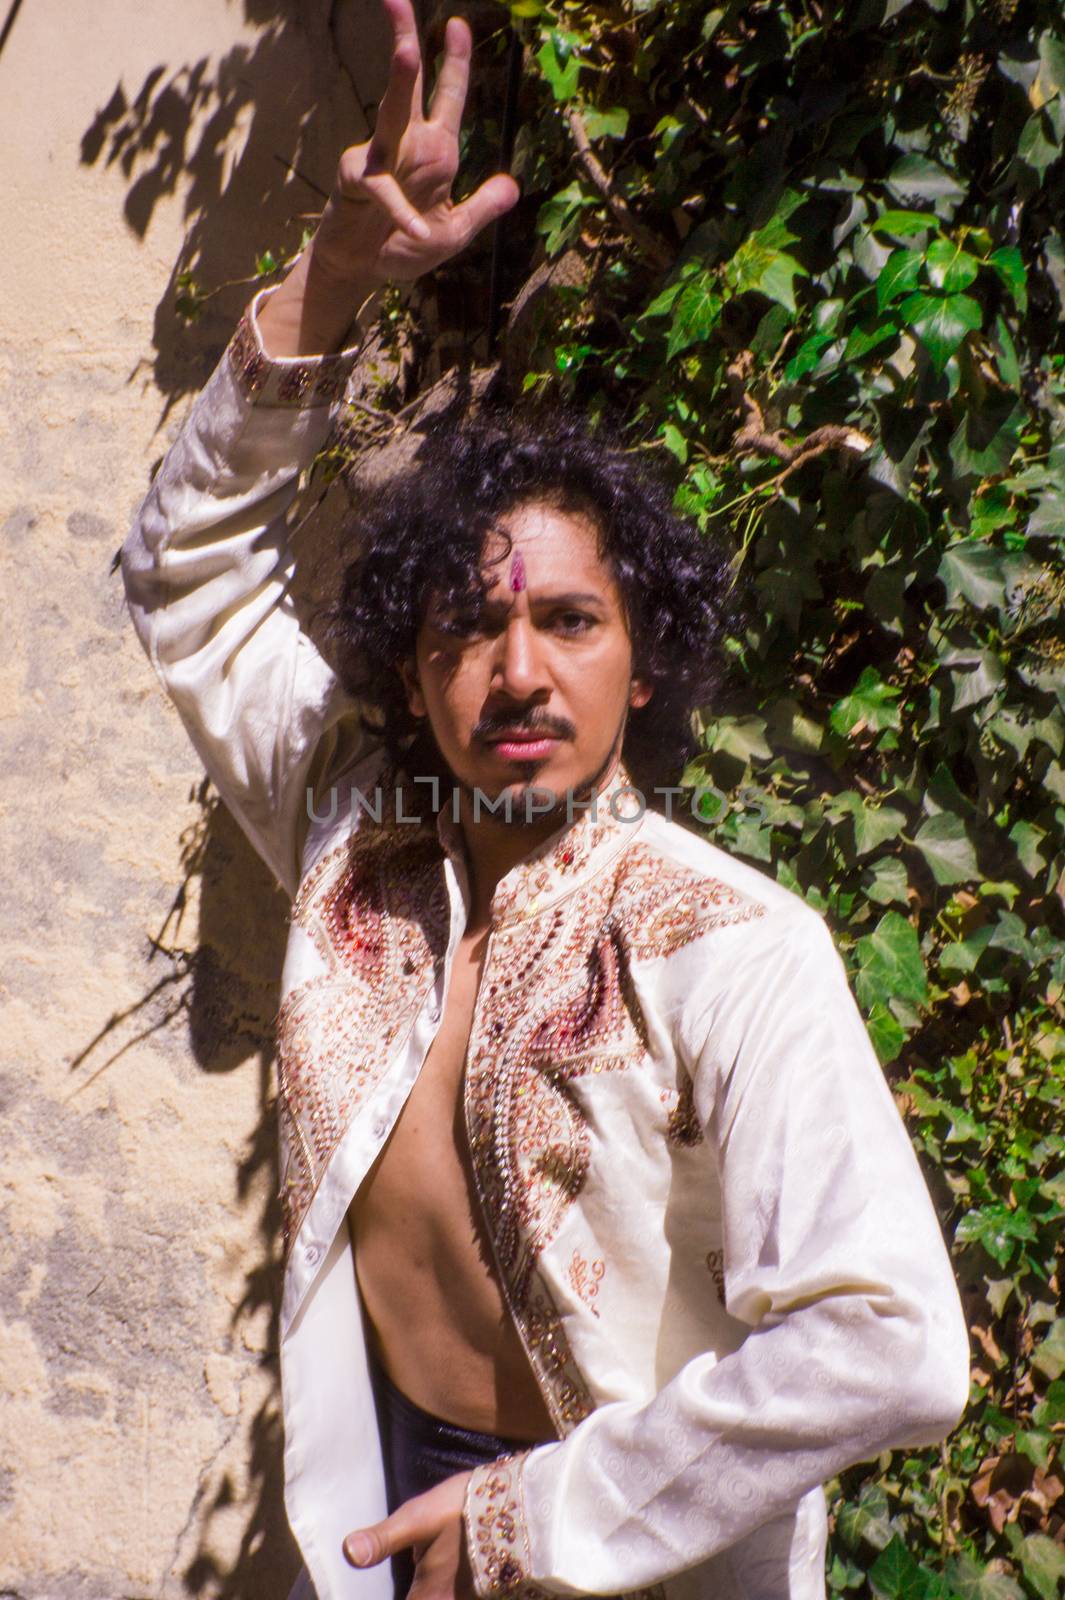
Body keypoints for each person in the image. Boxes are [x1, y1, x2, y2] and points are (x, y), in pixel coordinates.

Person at [119, 3, 971, 1598]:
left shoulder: (730, 942)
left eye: (567, 621)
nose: (516, 671)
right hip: (375, 1508)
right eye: (468, 627)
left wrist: (535, 1518)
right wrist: (332, 279)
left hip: (638, 1540)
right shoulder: (348, 836)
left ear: (641, 664)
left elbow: (892, 1345)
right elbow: (183, 576)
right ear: (411, 662)